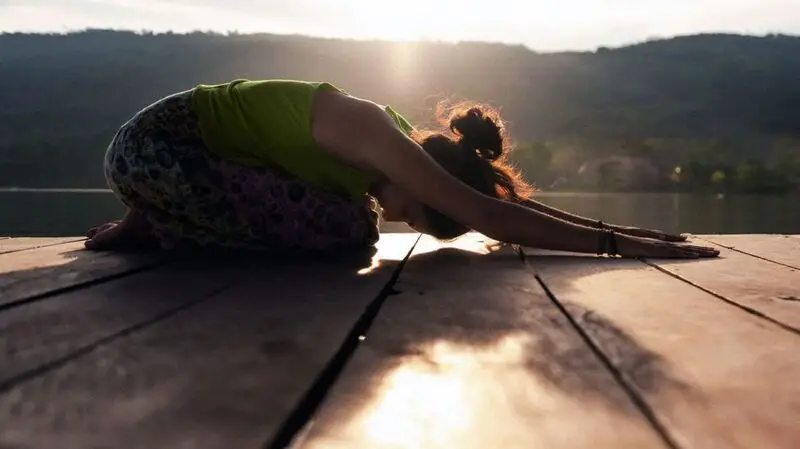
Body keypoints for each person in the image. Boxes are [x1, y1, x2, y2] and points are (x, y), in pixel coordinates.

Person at [85, 79, 719, 259]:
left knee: (346, 220)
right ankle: (154, 222)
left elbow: (500, 209)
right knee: (348, 233)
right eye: (416, 210)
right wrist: (617, 245)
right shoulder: (376, 136)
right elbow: (488, 214)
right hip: (153, 151)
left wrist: (626, 231)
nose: (400, 215)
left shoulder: (379, 155)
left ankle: (154, 219)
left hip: (185, 162)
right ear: (425, 181)